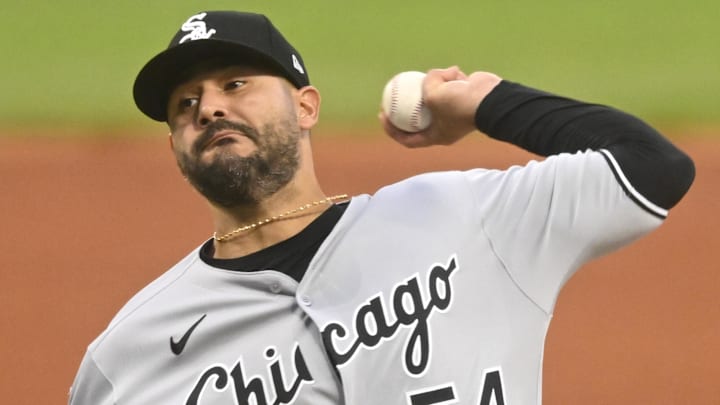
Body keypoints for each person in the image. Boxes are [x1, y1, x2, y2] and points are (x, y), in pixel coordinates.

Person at [68, 10, 694, 405]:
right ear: (175, 142)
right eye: (185, 104)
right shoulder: (128, 356)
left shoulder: (465, 216)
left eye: (235, 84)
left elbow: (650, 167)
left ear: (306, 106)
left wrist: (482, 102)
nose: (207, 108)